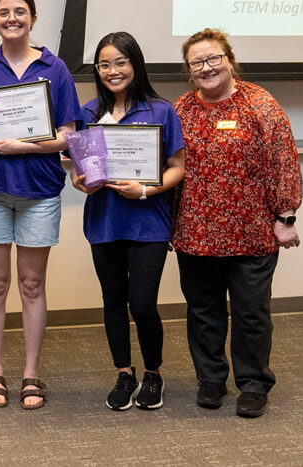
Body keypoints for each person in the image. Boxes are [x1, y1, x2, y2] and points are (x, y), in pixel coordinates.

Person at [172, 28, 302, 418]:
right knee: (203, 311)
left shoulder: (260, 104)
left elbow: (284, 161)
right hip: (196, 231)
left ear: (229, 60)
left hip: (253, 231)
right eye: (198, 62)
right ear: (189, 70)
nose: (207, 67)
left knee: (251, 314)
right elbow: (167, 166)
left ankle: (253, 384)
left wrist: (285, 216)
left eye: (214, 59)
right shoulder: (180, 109)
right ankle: (211, 379)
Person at [0, 0, 81, 410]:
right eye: (3, 12)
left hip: (39, 188)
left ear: (33, 18)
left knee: (32, 284)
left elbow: (69, 133)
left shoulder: (56, 68)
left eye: (20, 12)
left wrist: (22, 146)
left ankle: (31, 373)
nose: (12, 18)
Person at [70, 32, 185, 411]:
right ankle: (124, 372)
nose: (112, 71)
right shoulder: (87, 114)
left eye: (121, 62)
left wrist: (146, 190)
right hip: (104, 220)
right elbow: (77, 169)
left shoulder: (161, 111)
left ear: (135, 65)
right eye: (104, 64)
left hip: (148, 221)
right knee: (113, 301)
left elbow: (177, 168)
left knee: (143, 304)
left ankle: (153, 373)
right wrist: (79, 180)